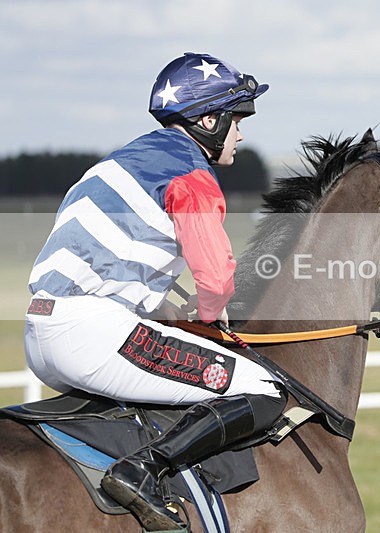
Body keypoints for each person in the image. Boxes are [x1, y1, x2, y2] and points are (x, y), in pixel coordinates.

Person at [24, 52, 286, 531]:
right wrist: (210, 315)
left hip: (40, 335)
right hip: (92, 337)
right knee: (264, 388)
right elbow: (217, 279)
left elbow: (113, 264)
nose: (241, 133)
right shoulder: (192, 175)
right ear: (208, 120)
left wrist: (171, 306)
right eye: (237, 119)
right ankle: (143, 471)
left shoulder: (117, 164)